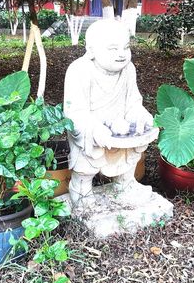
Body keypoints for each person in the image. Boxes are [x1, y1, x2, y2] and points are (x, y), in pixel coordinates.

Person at [63, 19, 154, 212]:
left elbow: (132, 102)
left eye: (126, 47)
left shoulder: (129, 70)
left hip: (119, 127)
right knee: (86, 159)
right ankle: (81, 189)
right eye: (113, 49)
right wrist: (94, 129)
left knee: (130, 151)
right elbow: (74, 112)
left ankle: (125, 185)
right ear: (92, 50)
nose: (122, 54)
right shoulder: (79, 70)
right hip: (90, 125)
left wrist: (140, 115)